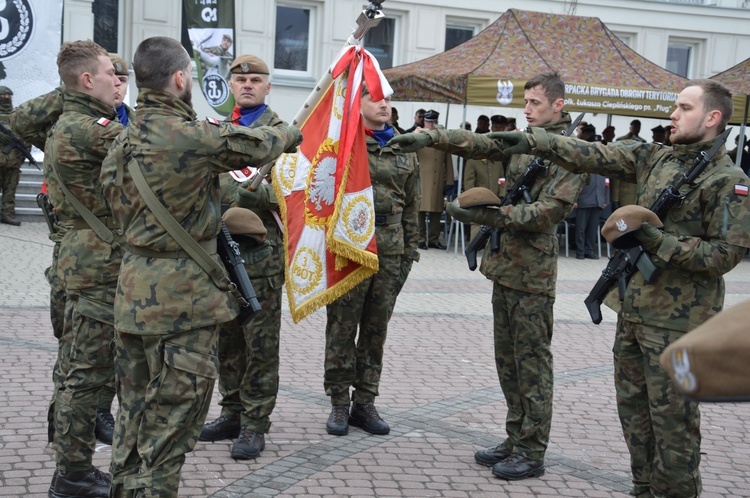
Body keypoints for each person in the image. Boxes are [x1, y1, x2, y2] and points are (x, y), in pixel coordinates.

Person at [447, 79, 750, 497]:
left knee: (674, 428)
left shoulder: (727, 180)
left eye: (683, 108)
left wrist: (655, 239)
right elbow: (592, 153)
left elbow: (724, 256)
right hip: (635, 311)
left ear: (712, 117)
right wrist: (535, 141)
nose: (673, 115)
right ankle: (642, 488)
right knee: (634, 416)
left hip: (680, 325)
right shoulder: (654, 156)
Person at [100, 36, 301, 497]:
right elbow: (262, 143)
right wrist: (291, 133)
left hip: (131, 296)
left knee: (132, 415)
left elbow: (113, 209)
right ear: (180, 78)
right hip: (183, 303)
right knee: (170, 426)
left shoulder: (120, 142)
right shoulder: (193, 136)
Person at [389, 71, 585, 481]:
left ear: (558, 105)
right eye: (525, 102)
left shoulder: (572, 152)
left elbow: (549, 211)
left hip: (533, 274)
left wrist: (488, 216)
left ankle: (532, 449)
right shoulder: (523, 141)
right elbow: (482, 144)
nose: (527, 110)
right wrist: (432, 137)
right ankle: (515, 437)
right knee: (508, 362)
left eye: (535, 103)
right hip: (506, 267)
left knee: (532, 364)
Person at [43, 40, 124, 498]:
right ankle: (72, 473)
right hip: (97, 269)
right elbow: (152, 144)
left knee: (82, 372)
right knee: (86, 376)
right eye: (112, 73)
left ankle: (71, 464)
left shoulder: (67, 123)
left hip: (85, 262)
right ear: (88, 80)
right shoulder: (86, 128)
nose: (118, 81)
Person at [199, 54, 287, 461]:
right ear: (230, 86)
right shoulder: (216, 131)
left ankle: (255, 424)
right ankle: (231, 411)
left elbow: (303, 197)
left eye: (256, 79)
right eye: (241, 80)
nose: (248, 85)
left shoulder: (285, 134)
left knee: (260, 343)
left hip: (262, 255)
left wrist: (264, 195)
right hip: (219, 254)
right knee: (227, 339)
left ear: (268, 86)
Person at [324, 86, 420, 438]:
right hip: (350, 246)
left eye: (388, 100)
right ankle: (338, 401)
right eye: (375, 98)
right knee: (342, 326)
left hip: (390, 250)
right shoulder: (345, 144)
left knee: (376, 329)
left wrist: (410, 252)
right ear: (358, 104)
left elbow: (413, 204)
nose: (384, 105)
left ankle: (364, 402)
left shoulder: (403, 146)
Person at [416, 109, 452, 250]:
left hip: (438, 178)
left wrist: (449, 180)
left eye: (433, 122)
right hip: (422, 178)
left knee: (436, 211)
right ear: (424, 121)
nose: (430, 125)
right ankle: (420, 238)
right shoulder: (419, 136)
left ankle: (433, 239)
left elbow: (448, 161)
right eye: (428, 122)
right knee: (420, 210)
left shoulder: (442, 137)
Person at [573, 125, 608, 259]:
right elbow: (577, 182)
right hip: (584, 199)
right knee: (581, 228)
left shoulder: (604, 163)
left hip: (598, 199)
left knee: (593, 229)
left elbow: (607, 184)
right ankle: (580, 252)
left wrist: (606, 199)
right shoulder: (583, 161)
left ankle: (589, 250)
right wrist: (575, 199)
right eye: (595, 145)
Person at [0, 86, 25, 226]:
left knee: (10, 191)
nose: (6, 98)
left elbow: (26, 136)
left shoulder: (16, 115)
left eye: (8, 96)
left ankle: (7, 214)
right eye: (3, 96)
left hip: (13, 161)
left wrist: (22, 155)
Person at [109, 54, 135, 126]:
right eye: (111, 79)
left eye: (122, 80)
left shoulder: (140, 121)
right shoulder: (87, 119)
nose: (117, 84)